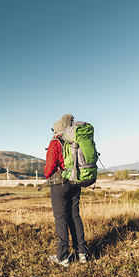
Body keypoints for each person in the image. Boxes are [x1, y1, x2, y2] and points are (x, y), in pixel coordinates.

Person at [44, 114, 90, 267]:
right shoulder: (75, 140)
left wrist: (48, 174)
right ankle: (82, 253)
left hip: (59, 183)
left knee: (61, 218)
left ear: (57, 129)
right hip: (75, 180)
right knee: (75, 216)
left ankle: (63, 257)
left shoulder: (56, 141)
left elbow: (50, 166)